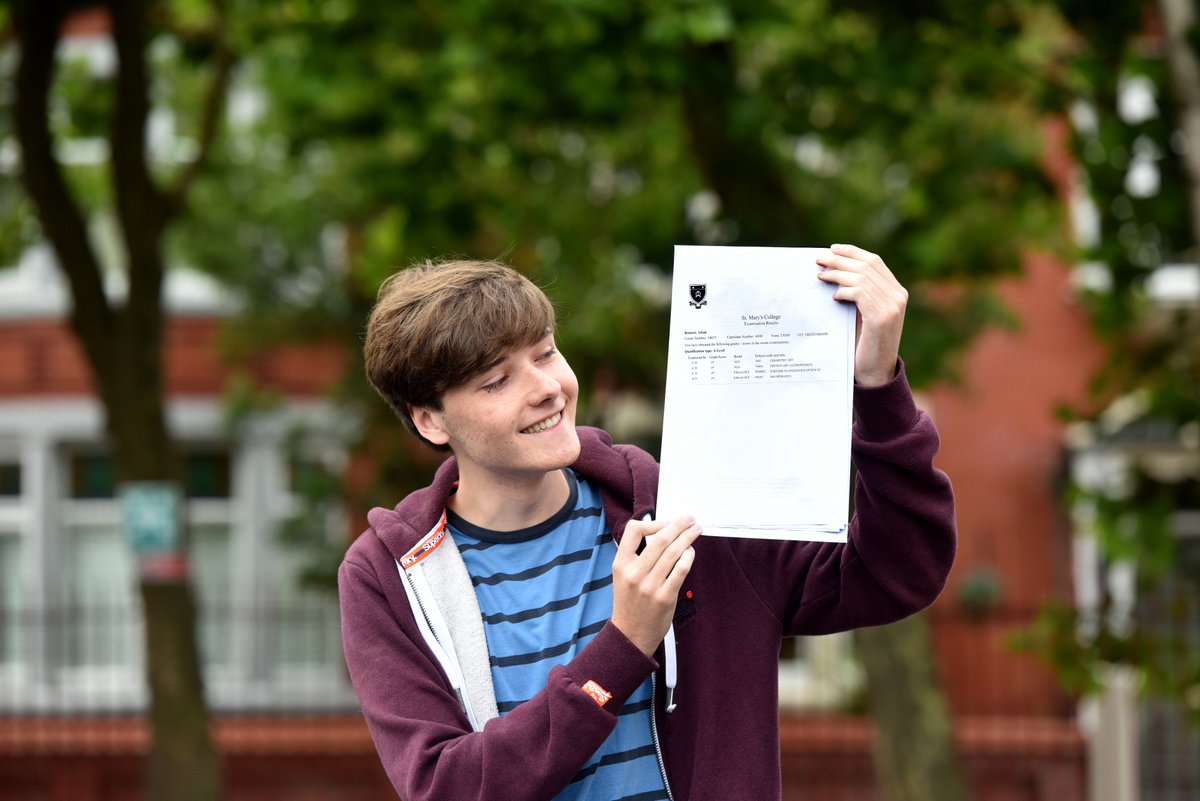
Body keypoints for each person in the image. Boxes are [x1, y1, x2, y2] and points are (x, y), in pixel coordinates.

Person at [339, 244, 956, 801]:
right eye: (497, 380)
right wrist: (623, 647)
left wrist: (877, 389)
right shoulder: (388, 577)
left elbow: (896, 572)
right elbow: (447, 787)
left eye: (546, 352)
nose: (547, 388)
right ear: (431, 422)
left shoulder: (685, 507)